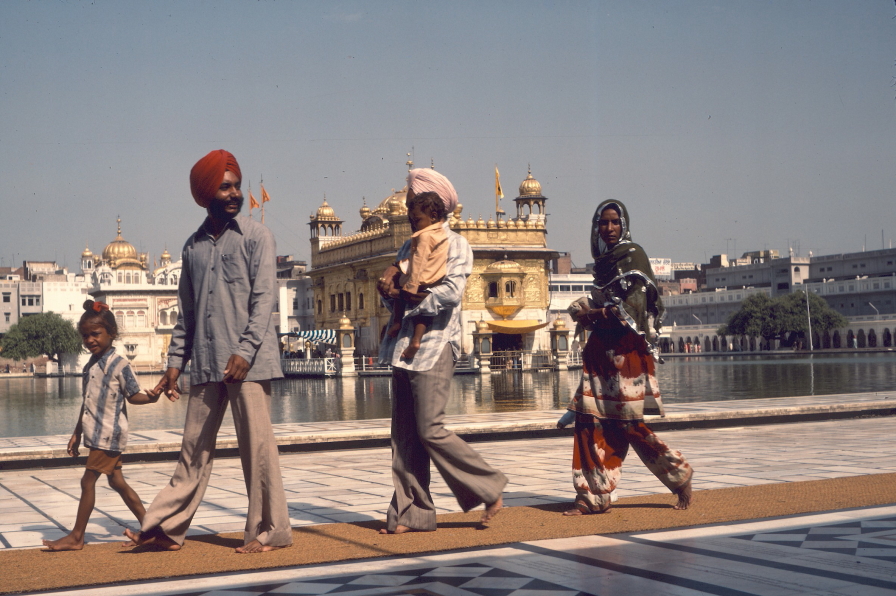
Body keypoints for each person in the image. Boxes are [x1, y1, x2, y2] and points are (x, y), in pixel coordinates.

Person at [124, 149, 292, 554]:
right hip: (204, 360)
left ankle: (269, 531)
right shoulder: (193, 247)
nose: (234, 193)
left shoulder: (256, 237)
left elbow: (264, 301)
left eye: (236, 185)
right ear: (206, 193)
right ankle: (166, 527)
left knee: (257, 450)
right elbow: (187, 314)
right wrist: (173, 365)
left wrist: (246, 351)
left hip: (247, 364)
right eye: (225, 186)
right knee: (192, 449)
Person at [376, 168, 506, 534]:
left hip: (434, 344)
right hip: (402, 347)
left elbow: (451, 293)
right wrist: (390, 294)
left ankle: (488, 485)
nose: (408, 217)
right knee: (402, 435)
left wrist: (415, 297)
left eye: (413, 210)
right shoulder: (407, 246)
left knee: (430, 428)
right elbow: (398, 300)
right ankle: (411, 513)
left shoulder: (457, 244)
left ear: (434, 209)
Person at [561, 199, 693, 515]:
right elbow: (606, 304)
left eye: (614, 223)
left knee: (629, 426)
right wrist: (587, 310)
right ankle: (591, 496)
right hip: (600, 354)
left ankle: (679, 474)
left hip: (627, 354)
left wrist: (590, 314)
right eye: (603, 223)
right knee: (587, 422)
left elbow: (632, 310)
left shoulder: (634, 257)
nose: (608, 229)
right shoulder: (604, 262)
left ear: (624, 225)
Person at [42, 300, 161, 551]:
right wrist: (76, 433)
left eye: (95, 334)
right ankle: (153, 530)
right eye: (85, 336)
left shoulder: (120, 364)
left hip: (109, 434)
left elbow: (133, 396)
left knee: (87, 482)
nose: (89, 340)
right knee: (117, 482)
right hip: (95, 434)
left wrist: (152, 397)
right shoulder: (90, 365)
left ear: (111, 334)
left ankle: (76, 537)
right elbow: (87, 404)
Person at [385, 190, 449, 360]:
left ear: (433, 216)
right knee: (423, 311)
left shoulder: (424, 236)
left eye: (417, 220)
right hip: (436, 278)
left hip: (422, 277)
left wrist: (410, 285)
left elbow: (419, 260)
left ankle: (397, 322)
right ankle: (416, 340)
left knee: (398, 285)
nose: (414, 225)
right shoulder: (442, 233)